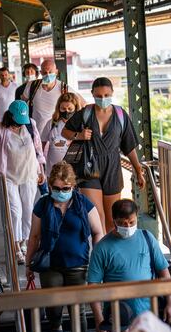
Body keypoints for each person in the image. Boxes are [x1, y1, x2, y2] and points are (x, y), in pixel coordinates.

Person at [25, 161, 104, 332]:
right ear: (50, 186)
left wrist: (96, 259)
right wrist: (28, 264)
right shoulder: (43, 204)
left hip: (79, 264)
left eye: (66, 188)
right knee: (53, 303)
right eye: (56, 188)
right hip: (50, 263)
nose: (61, 191)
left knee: (78, 310)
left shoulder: (83, 203)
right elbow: (34, 236)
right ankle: (55, 328)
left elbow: (98, 231)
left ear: (73, 186)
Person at [62, 77, 146, 233]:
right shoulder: (85, 113)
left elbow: (129, 146)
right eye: (99, 96)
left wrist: (138, 170)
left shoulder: (120, 115)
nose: (103, 99)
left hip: (112, 167)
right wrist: (78, 136)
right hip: (88, 167)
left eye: (106, 95)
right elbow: (65, 131)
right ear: (92, 94)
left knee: (111, 218)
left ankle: (109, 253)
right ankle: (98, 253)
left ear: (112, 93)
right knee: (96, 216)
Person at [87, 199, 171, 329]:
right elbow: (93, 285)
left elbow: (163, 271)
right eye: (122, 223)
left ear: (136, 217)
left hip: (149, 314)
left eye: (131, 222)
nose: (128, 227)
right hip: (118, 318)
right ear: (114, 220)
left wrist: (170, 302)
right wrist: (99, 318)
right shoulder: (102, 248)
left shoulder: (147, 238)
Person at [0, 100, 46, 263]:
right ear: (10, 117)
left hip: (29, 173)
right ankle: (15, 247)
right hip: (9, 176)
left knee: (28, 210)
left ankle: (25, 243)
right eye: (17, 122)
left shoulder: (30, 124)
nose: (20, 125)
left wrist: (41, 170)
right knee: (15, 211)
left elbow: (38, 147)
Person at [22, 59, 85, 130]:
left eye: (50, 72)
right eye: (45, 72)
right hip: (36, 133)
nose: (48, 75)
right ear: (41, 73)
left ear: (56, 72)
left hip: (56, 134)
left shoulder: (64, 88)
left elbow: (83, 104)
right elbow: (21, 103)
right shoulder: (32, 86)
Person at [40, 92, 81, 178]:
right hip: (52, 171)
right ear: (58, 108)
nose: (66, 111)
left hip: (74, 172)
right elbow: (42, 144)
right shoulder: (51, 123)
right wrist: (40, 164)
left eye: (70, 109)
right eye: (63, 108)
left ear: (76, 109)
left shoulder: (80, 125)